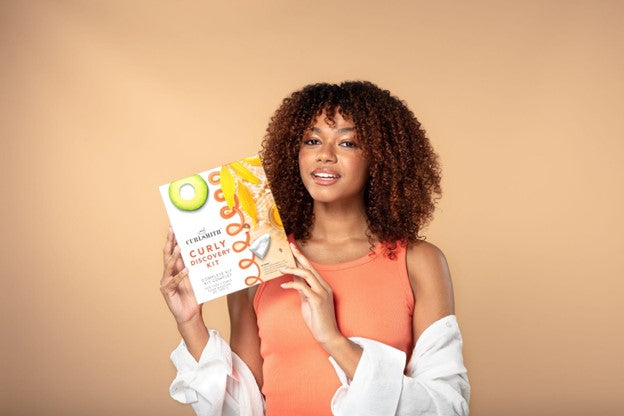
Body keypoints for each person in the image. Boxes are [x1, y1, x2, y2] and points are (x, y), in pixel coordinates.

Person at [160, 81, 470, 415]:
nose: (325, 154)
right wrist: (190, 323)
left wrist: (333, 339)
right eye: (312, 140)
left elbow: (446, 407)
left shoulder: (418, 262)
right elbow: (243, 408)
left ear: (380, 159)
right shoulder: (258, 259)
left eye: (348, 142)